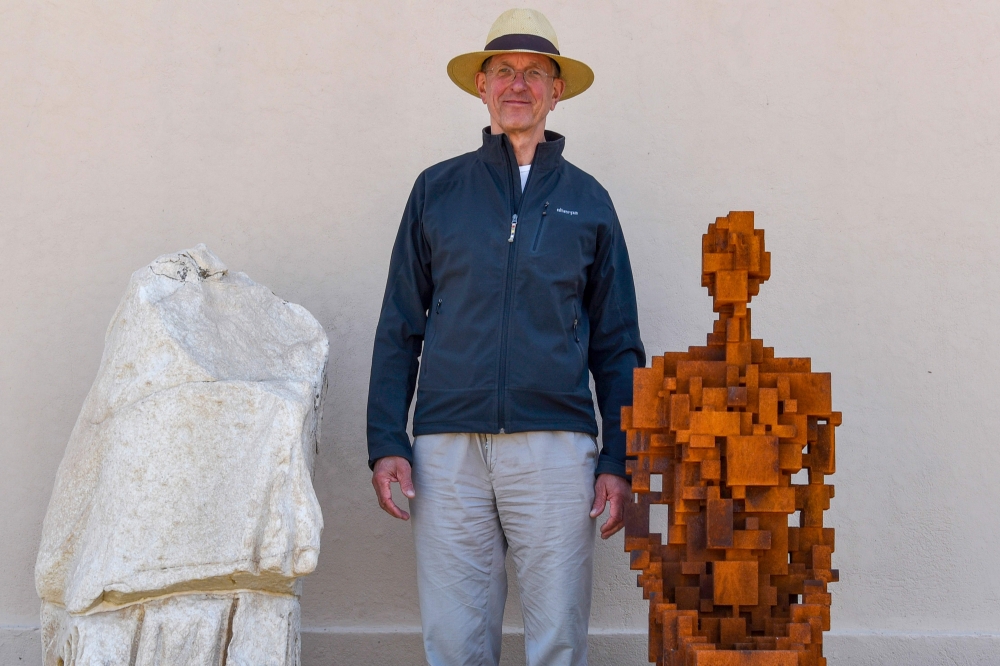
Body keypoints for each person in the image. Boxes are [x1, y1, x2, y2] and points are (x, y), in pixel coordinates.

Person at [366, 8, 645, 666]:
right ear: (481, 87)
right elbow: (400, 324)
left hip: (556, 448)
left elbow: (618, 343)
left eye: (534, 73)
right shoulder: (438, 190)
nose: (517, 84)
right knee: (455, 638)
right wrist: (386, 440)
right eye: (503, 71)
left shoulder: (589, 200)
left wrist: (618, 458)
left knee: (558, 638)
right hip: (446, 451)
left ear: (557, 91)